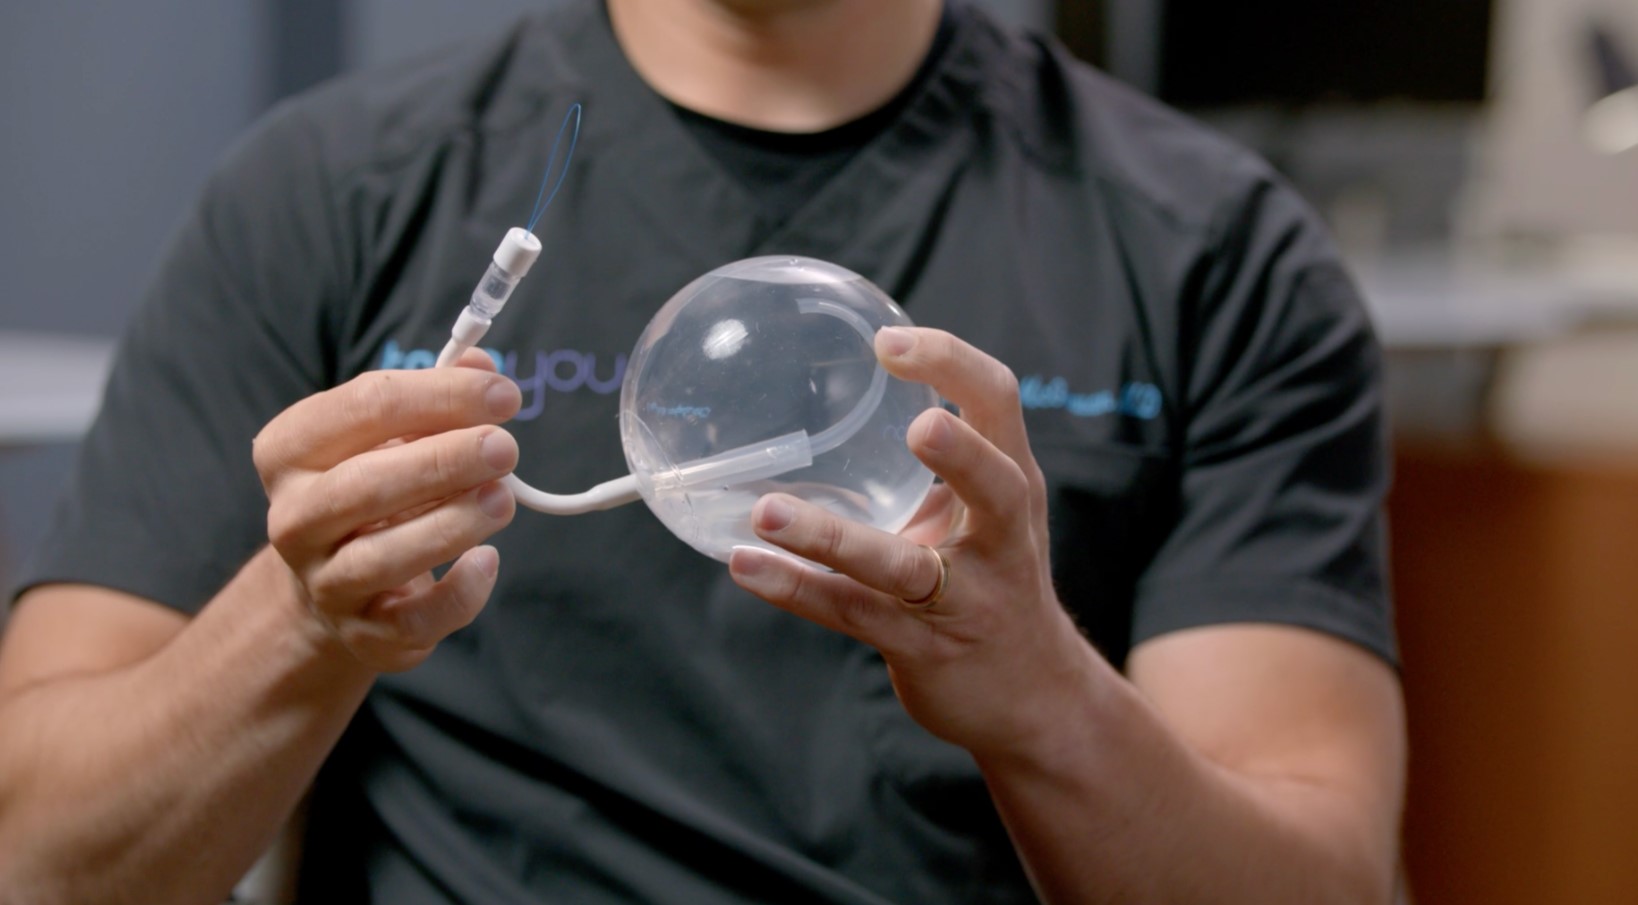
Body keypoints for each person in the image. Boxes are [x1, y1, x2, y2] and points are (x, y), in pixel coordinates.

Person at [0, 0, 1405, 902]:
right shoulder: (333, 192)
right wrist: (304, 620)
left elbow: (1320, 880)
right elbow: (41, 856)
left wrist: (1040, 694)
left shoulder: (1209, 251)